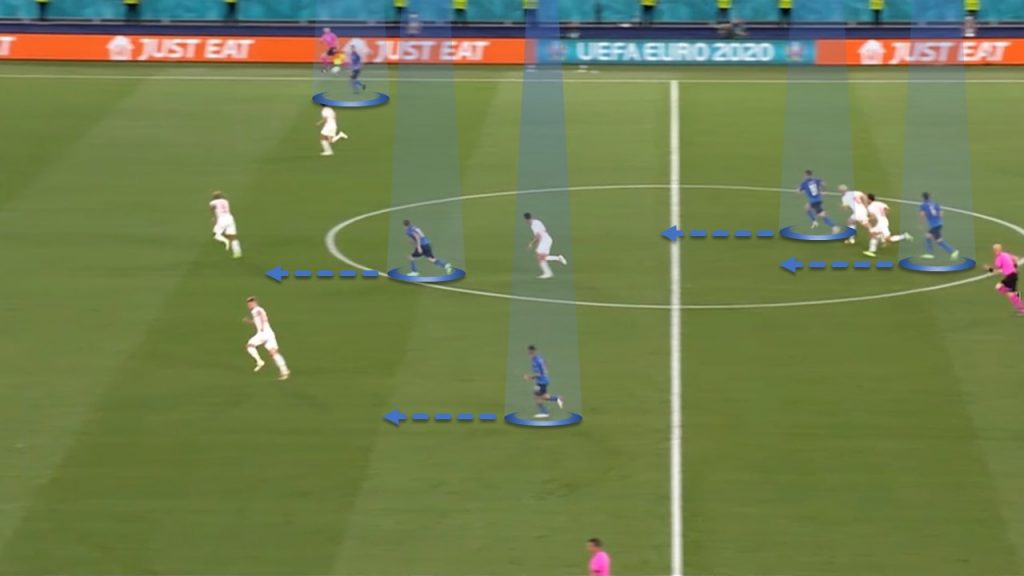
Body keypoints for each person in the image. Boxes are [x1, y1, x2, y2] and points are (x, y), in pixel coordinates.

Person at [243, 297, 290, 380]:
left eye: (250, 304)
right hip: (269, 333)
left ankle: (259, 361)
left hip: (263, 333)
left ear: (255, 303)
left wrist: (261, 327)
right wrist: (249, 321)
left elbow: (261, 318)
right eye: (248, 304)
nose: (249, 306)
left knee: (249, 345)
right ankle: (284, 370)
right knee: (273, 352)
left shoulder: (256, 310)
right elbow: (258, 321)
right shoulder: (259, 310)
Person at [863, 193, 912, 257]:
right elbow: (887, 208)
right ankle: (872, 250)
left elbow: (873, 217)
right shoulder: (879, 203)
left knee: (888, 239)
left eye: (866, 199)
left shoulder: (870, 207)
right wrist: (883, 214)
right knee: (873, 233)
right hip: (884, 221)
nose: (865, 200)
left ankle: (904, 236)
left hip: (881, 223)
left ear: (869, 199)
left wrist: (867, 219)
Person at [523, 345, 563, 419]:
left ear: (534, 352)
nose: (529, 355)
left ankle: (545, 413)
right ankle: (557, 398)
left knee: (537, 398)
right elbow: (545, 366)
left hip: (542, 382)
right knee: (543, 396)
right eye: (529, 353)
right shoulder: (538, 359)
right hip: (543, 380)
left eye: (530, 353)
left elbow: (539, 374)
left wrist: (529, 377)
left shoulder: (536, 361)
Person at [524, 212, 567, 279]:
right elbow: (544, 230)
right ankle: (557, 259)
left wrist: (531, 243)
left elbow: (538, 236)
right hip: (548, 239)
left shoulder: (533, 226)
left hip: (544, 241)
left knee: (540, 256)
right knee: (543, 258)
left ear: (526, 220)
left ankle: (548, 273)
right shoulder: (537, 221)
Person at [919, 192, 959, 260]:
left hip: (934, 225)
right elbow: (941, 213)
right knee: (927, 236)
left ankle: (953, 251)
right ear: (929, 197)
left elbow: (922, 215)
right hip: (939, 223)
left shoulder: (923, 205)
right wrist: (938, 220)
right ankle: (930, 253)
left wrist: (921, 224)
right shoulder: (935, 204)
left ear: (923, 198)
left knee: (938, 241)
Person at [986, 244, 1024, 315]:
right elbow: (1016, 258)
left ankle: (1021, 307)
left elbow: (997, 270)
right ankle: (1021, 308)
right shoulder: (1006, 254)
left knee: (998, 287)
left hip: (1010, 276)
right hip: (1013, 275)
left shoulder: (999, 258)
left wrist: (989, 269)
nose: (995, 251)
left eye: (995, 249)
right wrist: (1015, 267)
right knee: (1011, 294)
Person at [209, 191, 242, 258]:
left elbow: (212, 208)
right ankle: (237, 252)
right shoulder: (225, 201)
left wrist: (213, 217)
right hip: (230, 218)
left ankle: (226, 240)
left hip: (221, 219)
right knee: (233, 236)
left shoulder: (212, 202)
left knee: (215, 235)